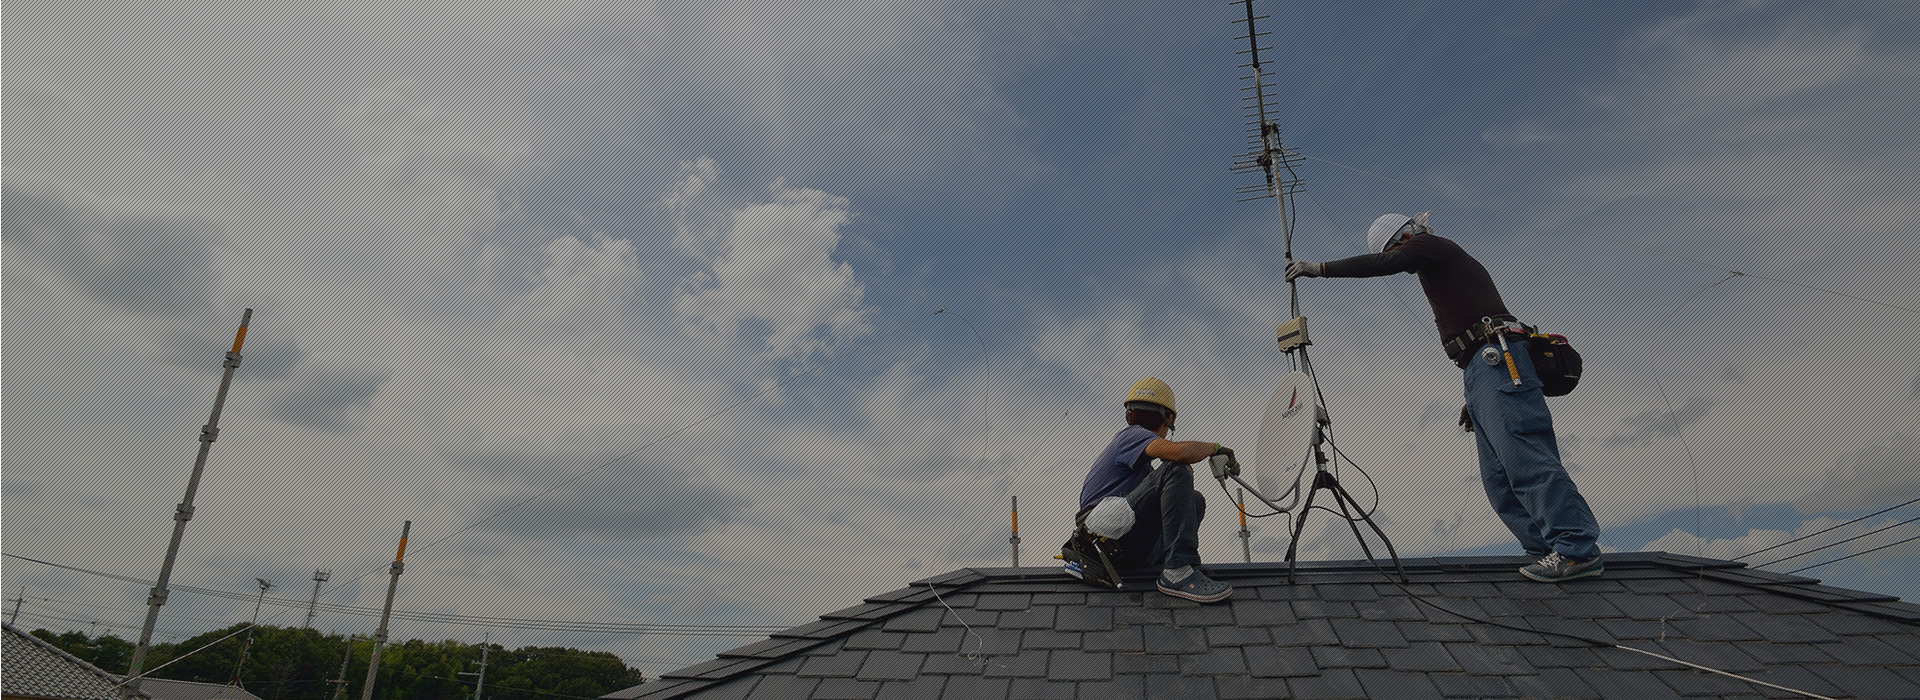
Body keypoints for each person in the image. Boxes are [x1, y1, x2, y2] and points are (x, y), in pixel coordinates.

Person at [1286, 213, 1604, 583]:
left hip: (1499, 359)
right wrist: (1476, 395)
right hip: (1483, 367)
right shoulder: (1435, 261)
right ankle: (1544, 549)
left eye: (1397, 248)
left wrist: (1318, 268)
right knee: (1498, 477)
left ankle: (1575, 548)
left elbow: (1388, 262)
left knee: (1525, 458)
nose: (1402, 258)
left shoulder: (1428, 245)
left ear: (1405, 236)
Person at [1071, 377, 1238, 603]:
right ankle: (1177, 569)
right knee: (1175, 468)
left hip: (1117, 545)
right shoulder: (1131, 436)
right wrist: (1215, 448)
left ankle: (1173, 565)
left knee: (1193, 500)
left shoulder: (1142, 468)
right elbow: (1179, 454)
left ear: (1129, 413)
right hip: (1100, 536)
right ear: (1168, 419)